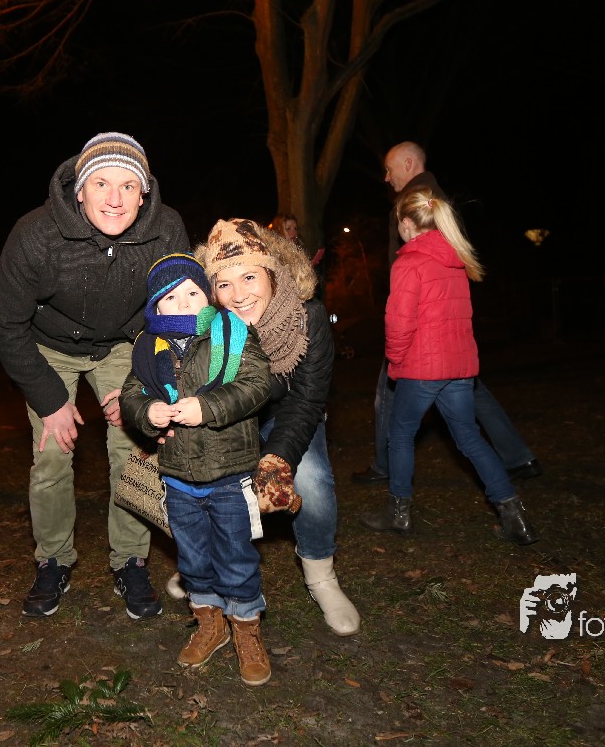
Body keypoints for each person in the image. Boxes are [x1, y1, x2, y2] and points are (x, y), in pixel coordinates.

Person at [0, 132, 190, 619]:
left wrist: (143, 385)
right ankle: (53, 559)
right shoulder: (36, 235)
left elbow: (178, 315)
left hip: (126, 343)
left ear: (144, 193)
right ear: (80, 190)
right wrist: (50, 400)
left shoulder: (166, 230)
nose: (114, 199)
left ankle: (131, 560)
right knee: (51, 454)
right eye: (101, 184)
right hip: (49, 346)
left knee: (134, 451)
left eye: (128, 186)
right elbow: (6, 322)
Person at [179, 218, 361, 637]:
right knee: (204, 478)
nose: (239, 294)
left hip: (290, 413)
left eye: (249, 277)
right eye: (224, 284)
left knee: (312, 478)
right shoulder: (209, 330)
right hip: (232, 416)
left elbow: (307, 399)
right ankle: (202, 569)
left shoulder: (307, 318)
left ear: (272, 273)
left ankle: (321, 575)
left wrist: (276, 458)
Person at [121, 253, 285, 685]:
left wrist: (207, 407)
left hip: (230, 474)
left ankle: (246, 628)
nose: (184, 303)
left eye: (193, 292)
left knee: (236, 557)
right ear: (156, 306)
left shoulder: (231, 332)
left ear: (208, 295)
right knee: (192, 558)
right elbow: (132, 393)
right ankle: (210, 623)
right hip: (177, 477)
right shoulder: (149, 346)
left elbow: (258, 384)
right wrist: (147, 411)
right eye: (171, 297)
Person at [352, 141, 543, 485]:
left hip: (420, 323)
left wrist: (404, 313)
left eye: (390, 169)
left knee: (390, 394)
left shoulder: (421, 200)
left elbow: (428, 266)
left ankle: (387, 467)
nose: (386, 177)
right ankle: (517, 458)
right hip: (441, 326)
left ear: (408, 164)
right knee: (468, 390)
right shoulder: (432, 196)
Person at [361, 187, 539, 544]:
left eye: (398, 224)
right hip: (458, 367)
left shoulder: (409, 263)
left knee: (400, 435)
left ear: (407, 223)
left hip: (422, 367)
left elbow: (398, 322)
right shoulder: (454, 259)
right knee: (470, 438)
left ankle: (398, 515)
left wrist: (396, 361)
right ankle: (514, 515)